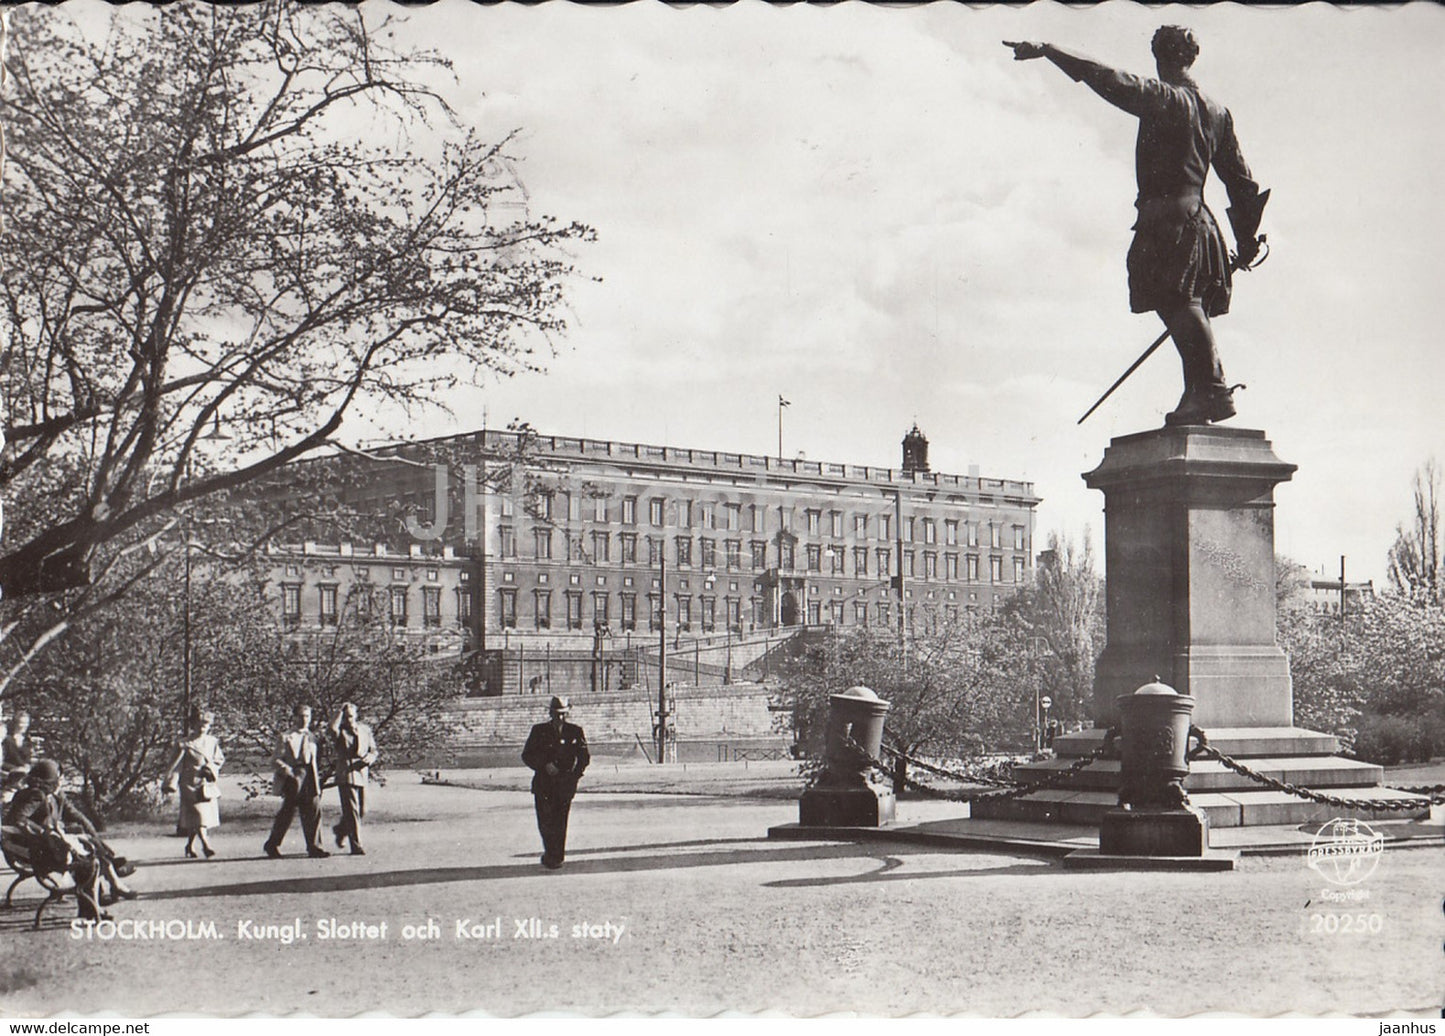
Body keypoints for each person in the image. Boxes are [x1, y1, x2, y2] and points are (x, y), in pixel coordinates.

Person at [1005, 27, 1268, 426]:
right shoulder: (1217, 111)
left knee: (1180, 303)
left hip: (1169, 222)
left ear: (1160, 57)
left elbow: (1106, 77)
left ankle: (1212, 389)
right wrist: (1246, 238)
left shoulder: (1166, 98)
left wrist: (1050, 50)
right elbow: (1242, 181)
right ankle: (1198, 392)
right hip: (1199, 219)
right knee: (1182, 305)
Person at [4, 760, 138, 918]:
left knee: (88, 848)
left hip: (41, 848)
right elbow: (17, 819)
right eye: (59, 777)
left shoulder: (47, 795)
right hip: (38, 851)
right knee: (88, 860)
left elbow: (75, 816)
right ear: (50, 779)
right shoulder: (36, 795)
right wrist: (46, 832)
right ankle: (96, 901)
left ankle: (102, 892)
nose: (61, 781)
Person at [521, 696, 589, 870]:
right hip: (543, 784)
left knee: (560, 821)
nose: (560, 718)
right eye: (557, 714)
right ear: (550, 713)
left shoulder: (575, 731)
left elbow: (584, 757)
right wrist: (544, 765)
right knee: (545, 821)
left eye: (564, 714)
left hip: (564, 785)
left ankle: (556, 856)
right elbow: (527, 755)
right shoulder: (539, 731)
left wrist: (574, 776)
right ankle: (550, 851)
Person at [263, 704, 330, 859]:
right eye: (300, 716)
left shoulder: (313, 737)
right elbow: (275, 760)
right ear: (293, 717)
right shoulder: (286, 737)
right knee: (287, 813)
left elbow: (316, 760)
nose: (304, 720)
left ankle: (314, 847)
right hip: (293, 778)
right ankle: (272, 845)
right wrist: (288, 771)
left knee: (313, 811)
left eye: (307, 716)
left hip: (310, 778)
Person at [163, 709, 226, 859]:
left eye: (205, 723)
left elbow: (219, 760)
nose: (202, 726)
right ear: (192, 724)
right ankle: (206, 844)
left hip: (205, 783)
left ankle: (190, 845)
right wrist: (170, 782)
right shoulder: (184, 744)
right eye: (199, 723)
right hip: (189, 784)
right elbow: (174, 765)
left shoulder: (212, 741)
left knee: (196, 817)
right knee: (199, 814)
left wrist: (210, 769)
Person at [328, 702, 378, 856]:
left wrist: (370, 758)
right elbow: (331, 729)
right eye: (345, 716)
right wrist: (338, 713)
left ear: (356, 715)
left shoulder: (365, 730)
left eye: (351, 715)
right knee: (351, 811)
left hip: (362, 771)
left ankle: (341, 830)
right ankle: (356, 845)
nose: (348, 719)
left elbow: (373, 750)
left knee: (363, 809)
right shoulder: (339, 731)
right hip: (346, 772)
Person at [2, 710, 35, 800]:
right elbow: (2, 761)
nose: (25, 726)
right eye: (22, 723)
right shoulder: (7, 740)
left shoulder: (27, 741)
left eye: (26, 723)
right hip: (9, 778)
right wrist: (14, 769)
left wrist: (28, 767)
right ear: (16, 723)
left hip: (24, 779)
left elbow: (29, 760)